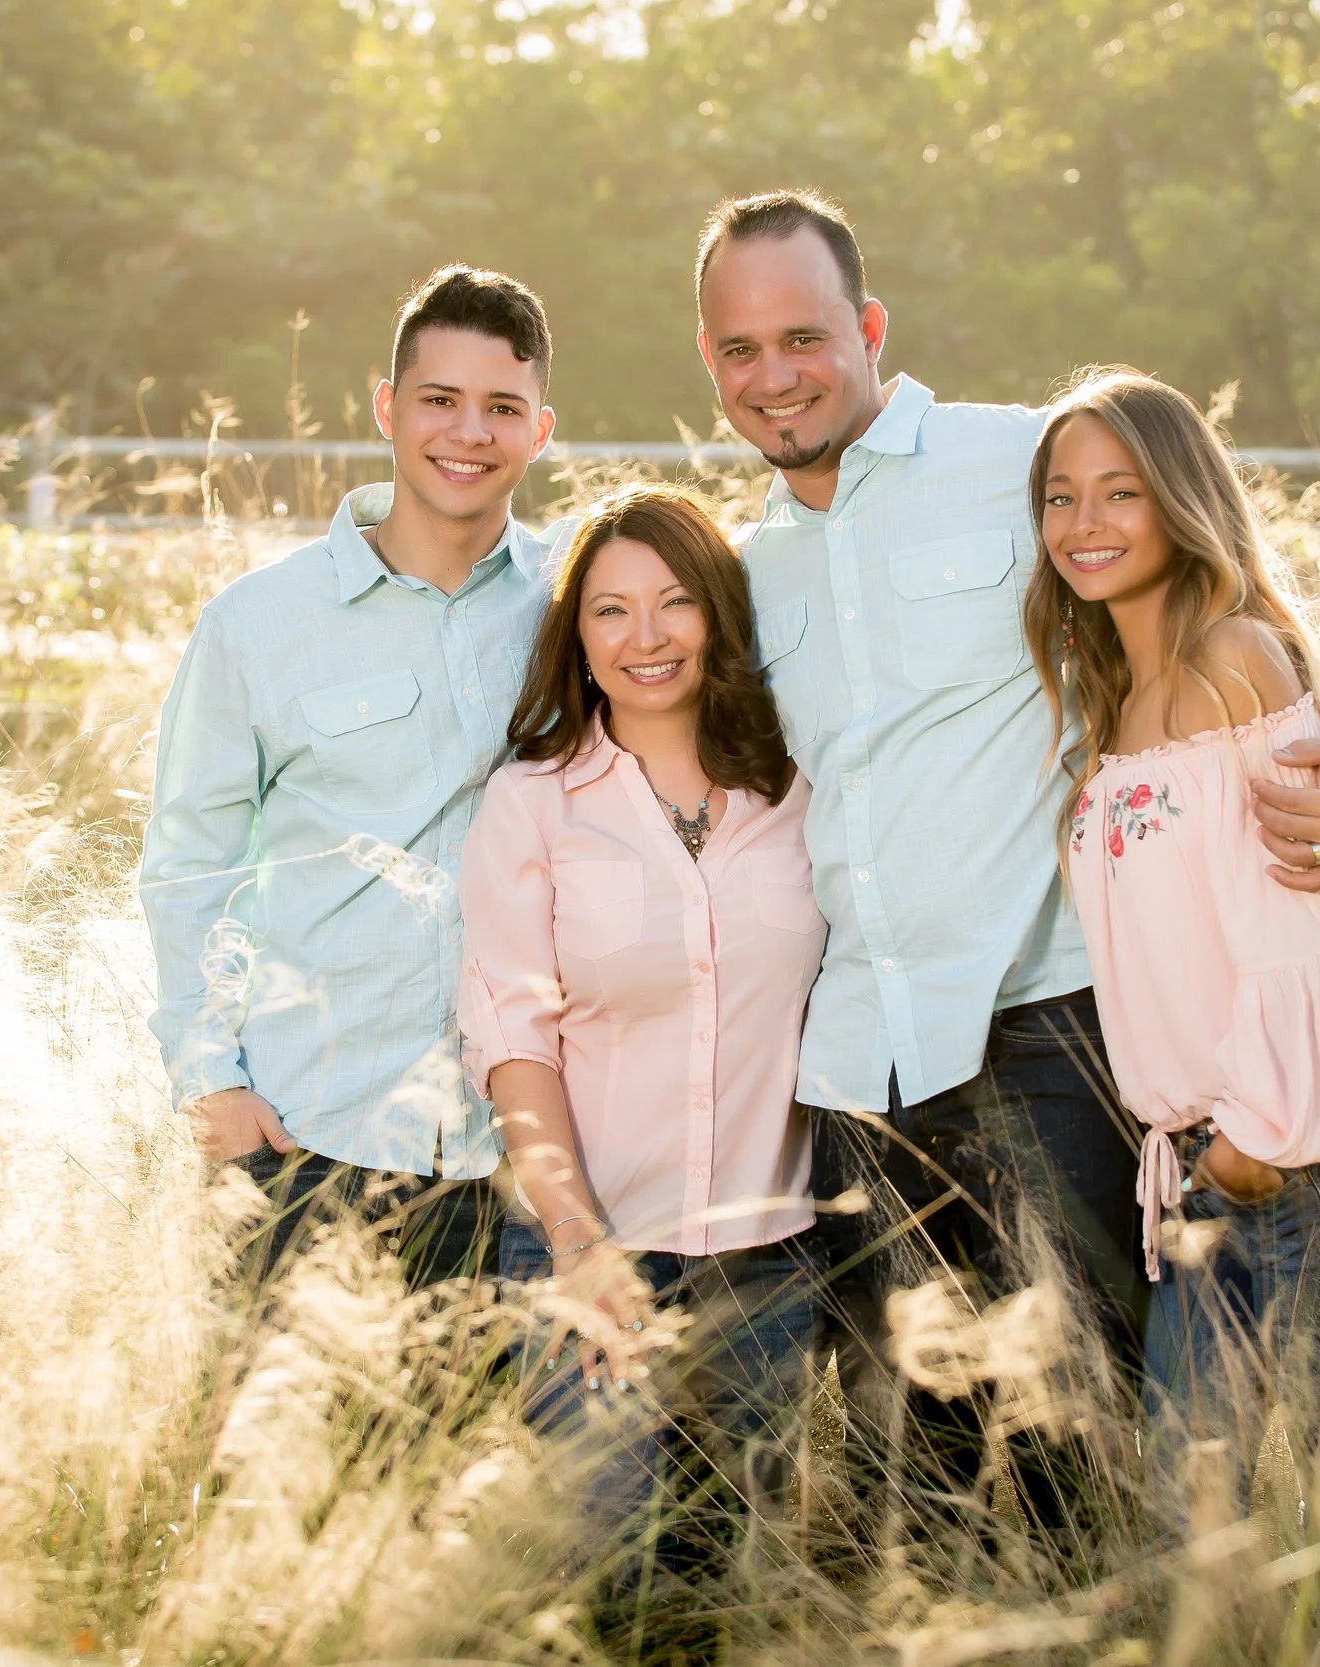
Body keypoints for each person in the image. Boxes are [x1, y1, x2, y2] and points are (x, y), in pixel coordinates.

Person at [689, 188, 1320, 1550]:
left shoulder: (1027, 465)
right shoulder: (748, 567)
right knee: (928, 1467)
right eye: (738, 348)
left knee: (1106, 1433)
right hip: (857, 1069)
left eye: (804, 336)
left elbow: (1233, 596)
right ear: (708, 361)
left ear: (871, 326)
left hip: (1048, 1035)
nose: (774, 375)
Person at [1029, 367, 1320, 1521]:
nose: (1085, 523)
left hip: (1301, 1172)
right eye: (1061, 497)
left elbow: (1293, 930)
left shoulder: (1234, 661)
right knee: (1194, 1538)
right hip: (1202, 1178)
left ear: (1180, 499)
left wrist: (1255, 1142)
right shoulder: (1110, 703)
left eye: (1120, 492)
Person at [139, 265, 560, 1289]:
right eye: (439, 400)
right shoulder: (259, 623)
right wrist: (213, 1086)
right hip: (313, 1133)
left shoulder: (577, 601)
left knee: (508, 1450)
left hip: (531, 1151)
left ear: (539, 430)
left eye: (501, 407)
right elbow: (189, 865)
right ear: (387, 408)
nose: (468, 432)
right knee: (297, 1450)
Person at [457, 482, 820, 1616]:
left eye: (673, 603)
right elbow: (513, 1038)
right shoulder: (534, 804)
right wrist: (578, 1244)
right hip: (594, 1253)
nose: (645, 637)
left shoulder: (799, 790)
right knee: (603, 1585)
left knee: (724, 1587)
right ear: (577, 635)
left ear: (717, 611)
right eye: (610, 611)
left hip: (770, 1260)